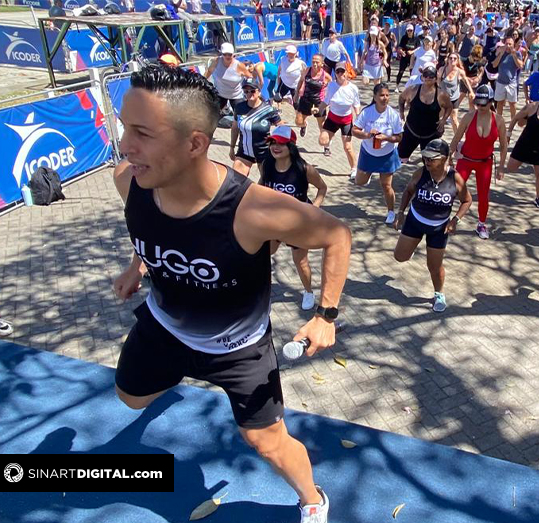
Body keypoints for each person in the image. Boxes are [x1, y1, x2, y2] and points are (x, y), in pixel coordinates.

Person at [113, 65, 351, 523]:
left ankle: (312, 499)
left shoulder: (252, 209)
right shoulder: (130, 180)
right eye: (125, 128)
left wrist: (325, 315)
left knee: (265, 443)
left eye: (142, 133)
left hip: (238, 349)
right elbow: (147, 225)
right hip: (165, 330)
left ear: (195, 144)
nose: (126, 146)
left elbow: (337, 235)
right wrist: (136, 265)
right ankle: (176, 376)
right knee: (130, 398)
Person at [392, 140, 472, 313]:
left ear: (444, 159)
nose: (426, 161)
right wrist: (400, 213)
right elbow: (408, 191)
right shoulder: (420, 173)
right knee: (400, 257)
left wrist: (455, 220)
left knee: (434, 267)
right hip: (414, 222)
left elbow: (467, 200)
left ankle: (439, 294)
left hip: (438, 229)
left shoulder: (455, 178)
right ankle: (411, 247)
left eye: (431, 158)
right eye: (425, 157)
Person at [258, 126, 329, 310]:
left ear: (291, 146)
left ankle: (308, 292)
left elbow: (322, 188)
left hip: (299, 224)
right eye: (272, 143)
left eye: (281, 143)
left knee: (300, 261)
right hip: (274, 222)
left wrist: (314, 208)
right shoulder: (266, 165)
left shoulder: (304, 169)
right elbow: (260, 188)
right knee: (262, 255)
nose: (275, 147)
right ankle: (261, 289)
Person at [450, 84, 508, 239]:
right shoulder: (469, 117)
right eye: (478, 104)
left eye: (483, 104)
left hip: (485, 163)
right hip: (466, 160)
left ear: (491, 102)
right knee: (452, 190)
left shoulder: (499, 120)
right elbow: (456, 139)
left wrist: (501, 167)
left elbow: (504, 145)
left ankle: (481, 224)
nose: (480, 107)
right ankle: (443, 218)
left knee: (483, 196)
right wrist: (448, 157)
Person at [352, 83, 405, 224]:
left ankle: (391, 212)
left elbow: (399, 137)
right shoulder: (367, 112)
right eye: (381, 95)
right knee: (359, 182)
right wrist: (368, 135)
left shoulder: (393, 115)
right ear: (375, 97)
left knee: (386, 186)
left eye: (387, 95)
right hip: (368, 152)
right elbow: (354, 130)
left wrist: (386, 138)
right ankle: (368, 174)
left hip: (387, 155)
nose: (385, 98)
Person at [397, 65, 453, 163]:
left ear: (435, 78)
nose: (428, 78)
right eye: (425, 75)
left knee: (430, 164)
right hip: (411, 131)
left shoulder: (441, 94)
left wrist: (443, 120)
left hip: (430, 134)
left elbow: (449, 107)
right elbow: (401, 98)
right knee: (399, 158)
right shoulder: (413, 89)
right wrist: (401, 112)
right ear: (422, 77)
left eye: (431, 76)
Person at [230, 78, 282, 176]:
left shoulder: (269, 110)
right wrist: (232, 147)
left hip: (264, 153)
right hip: (244, 153)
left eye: (252, 91)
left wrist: (281, 150)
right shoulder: (239, 107)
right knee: (236, 180)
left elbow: (282, 129)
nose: (249, 93)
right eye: (246, 91)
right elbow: (235, 128)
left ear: (259, 91)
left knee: (266, 182)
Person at [319, 62, 362, 178]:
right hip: (332, 119)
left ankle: (354, 169)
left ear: (347, 72)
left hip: (346, 121)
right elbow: (326, 101)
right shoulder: (331, 86)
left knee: (347, 147)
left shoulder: (353, 88)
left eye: (342, 71)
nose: (340, 74)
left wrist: (359, 119)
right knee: (322, 141)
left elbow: (356, 105)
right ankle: (329, 140)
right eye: (337, 71)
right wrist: (318, 109)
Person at [205, 43, 253, 114]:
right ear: (222, 54)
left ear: (233, 54)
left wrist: (249, 90)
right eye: (225, 54)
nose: (227, 56)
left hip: (236, 95)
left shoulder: (239, 65)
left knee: (241, 116)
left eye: (230, 54)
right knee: (212, 114)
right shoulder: (216, 61)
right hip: (220, 94)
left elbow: (250, 77)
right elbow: (209, 71)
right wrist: (202, 82)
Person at [295, 55, 331, 137]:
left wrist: (328, 102)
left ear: (322, 64)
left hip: (318, 101)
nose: (314, 64)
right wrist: (296, 94)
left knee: (322, 126)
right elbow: (300, 81)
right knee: (298, 122)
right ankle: (304, 125)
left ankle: (325, 142)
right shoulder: (307, 70)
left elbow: (332, 90)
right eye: (313, 62)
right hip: (305, 99)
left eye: (317, 62)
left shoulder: (326, 76)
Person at [492, 35, 525, 123]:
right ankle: (499, 121)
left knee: (512, 104)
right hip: (500, 82)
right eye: (506, 44)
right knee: (500, 103)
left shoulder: (517, 54)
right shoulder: (501, 52)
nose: (508, 46)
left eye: (510, 44)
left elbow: (520, 66)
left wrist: (514, 56)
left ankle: (513, 121)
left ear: (513, 45)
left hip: (511, 83)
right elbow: (494, 65)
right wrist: (500, 54)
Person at [439, 52, 475, 129]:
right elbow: (437, 81)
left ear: (457, 60)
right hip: (443, 99)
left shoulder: (460, 72)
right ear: (448, 60)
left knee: (454, 119)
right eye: (450, 58)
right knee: (437, 117)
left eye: (455, 58)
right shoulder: (442, 70)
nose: (452, 60)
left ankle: (458, 136)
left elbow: (466, 81)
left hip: (454, 98)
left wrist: (471, 92)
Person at [396, 24, 419, 89]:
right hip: (404, 57)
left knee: (412, 72)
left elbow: (419, 47)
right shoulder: (404, 37)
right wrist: (401, 51)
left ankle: (412, 87)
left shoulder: (416, 38)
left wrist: (412, 51)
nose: (409, 32)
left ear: (413, 31)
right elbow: (400, 47)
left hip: (412, 58)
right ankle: (397, 86)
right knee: (401, 71)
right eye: (408, 30)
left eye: (411, 30)